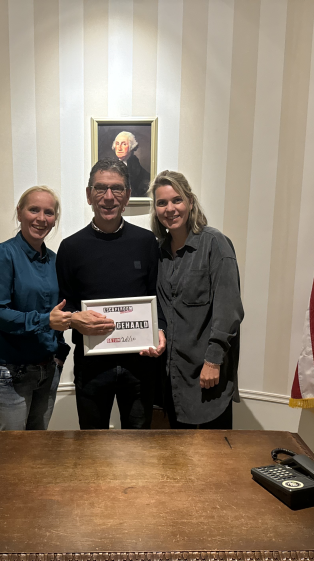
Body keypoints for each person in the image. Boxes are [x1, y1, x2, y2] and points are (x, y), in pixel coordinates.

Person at [56, 158, 166, 430]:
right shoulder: (70, 248)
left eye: (116, 188)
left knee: (139, 444)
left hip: (140, 365)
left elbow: (156, 296)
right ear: (88, 194)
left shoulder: (146, 242)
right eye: (100, 188)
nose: (108, 197)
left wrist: (160, 330)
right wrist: (74, 318)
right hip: (91, 368)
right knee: (92, 446)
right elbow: (65, 305)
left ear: (127, 195)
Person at [150, 170, 243, 429]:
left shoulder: (215, 243)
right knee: (176, 452)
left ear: (190, 202)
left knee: (213, 452)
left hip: (207, 375)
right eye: (162, 203)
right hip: (171, 378)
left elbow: (229, 310)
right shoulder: (158, 253)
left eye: (177, 200)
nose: (170, 209)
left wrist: (213, 361)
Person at [0, 186, 72, 431]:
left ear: (55, 219)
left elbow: (60, 309)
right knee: (12, 453)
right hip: (9, 375)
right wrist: (45, 321)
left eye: (48, 212)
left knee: (38, 450)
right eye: (34, 210)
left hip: (47, 371)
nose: (41, 218)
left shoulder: (55, 260)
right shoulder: (3, 254)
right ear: (20, 212)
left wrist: (60, 353)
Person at [112, 131, 150, 198]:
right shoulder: (111, 165)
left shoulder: (138, 170)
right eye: (117, 144)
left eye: (124, 144)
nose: (119, 148)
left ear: (131, 147)